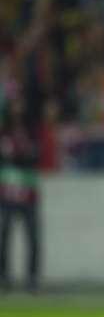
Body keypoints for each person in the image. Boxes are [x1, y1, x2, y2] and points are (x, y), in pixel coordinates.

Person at [0, 97, 41, 293]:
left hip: (28, 190)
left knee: (33, 237)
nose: (18, 109)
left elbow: (34, 157)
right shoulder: (5, 132)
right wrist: (20, 157)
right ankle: (4, 276)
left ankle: (32, 278)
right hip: (8, 190)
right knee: (5, 235)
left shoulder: (31, 132)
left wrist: (18, 157)